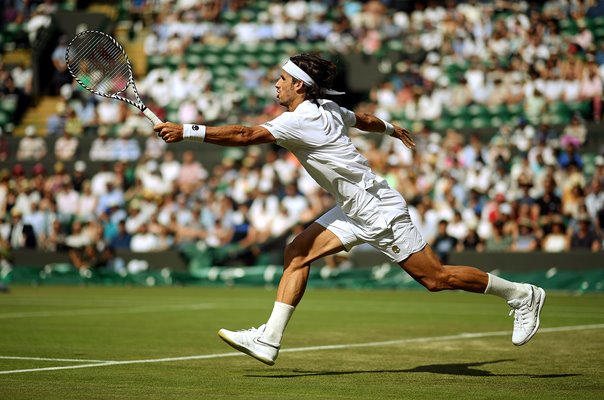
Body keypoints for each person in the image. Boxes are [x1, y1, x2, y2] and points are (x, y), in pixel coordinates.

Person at [154, 54, 546, 366]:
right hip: (352, 209)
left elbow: (245, 134)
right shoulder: (328, 109)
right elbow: (366, 120)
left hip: (377, 210)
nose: (275, 84)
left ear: (299, 86)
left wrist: (188, 130)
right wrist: (393, 129)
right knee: (296, 254)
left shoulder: (300, 120)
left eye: (281, 79)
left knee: (436, 279)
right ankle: (269, 340)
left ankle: (522, 295)